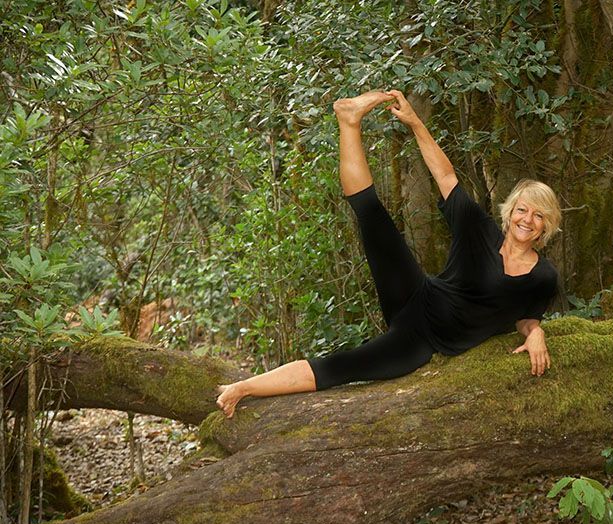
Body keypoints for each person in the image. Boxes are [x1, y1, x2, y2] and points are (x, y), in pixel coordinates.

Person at [216, 90, 561, 418]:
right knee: (372, 215)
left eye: (538, 216)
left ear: (547, 227)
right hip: (416, 293)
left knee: (343, 366)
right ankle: (349, 120)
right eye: (522, 210)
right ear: (510, 211)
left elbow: (525, 316)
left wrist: (536, 334)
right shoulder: (479, 229)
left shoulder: (543, 277)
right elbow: (444, 174)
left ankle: (245, 386)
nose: (527, 220)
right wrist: (414, 121)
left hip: (418, 342)